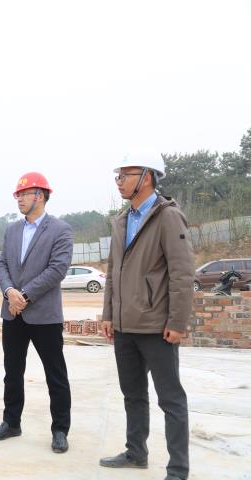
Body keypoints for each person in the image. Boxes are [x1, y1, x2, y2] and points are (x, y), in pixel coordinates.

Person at [99, 156, 194, 480]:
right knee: (133, 395)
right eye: (118, 176)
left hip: (157, 326)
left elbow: (182, 273)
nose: (120, 182)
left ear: (148, 177)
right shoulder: (121, 220)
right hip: (124, 326)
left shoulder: (168, 217)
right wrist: (108, 315)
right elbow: (113, 272)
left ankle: (178, 470)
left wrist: (177, 322)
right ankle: (136, 453)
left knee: (171, 399)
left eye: (125, 175)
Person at [0, 172, 74, 454]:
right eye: (17, 195)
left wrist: (24, 295)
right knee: (12, 372)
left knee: (55, 375)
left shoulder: (60, 230)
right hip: (12, 313)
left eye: (23, 194)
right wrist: (9, 292)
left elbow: (57, 269)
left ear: (40, 195)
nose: (19, 199)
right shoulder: (12, 230)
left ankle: (60, 430)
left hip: (44, 316)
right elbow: (2, 264)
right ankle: (11, 422)